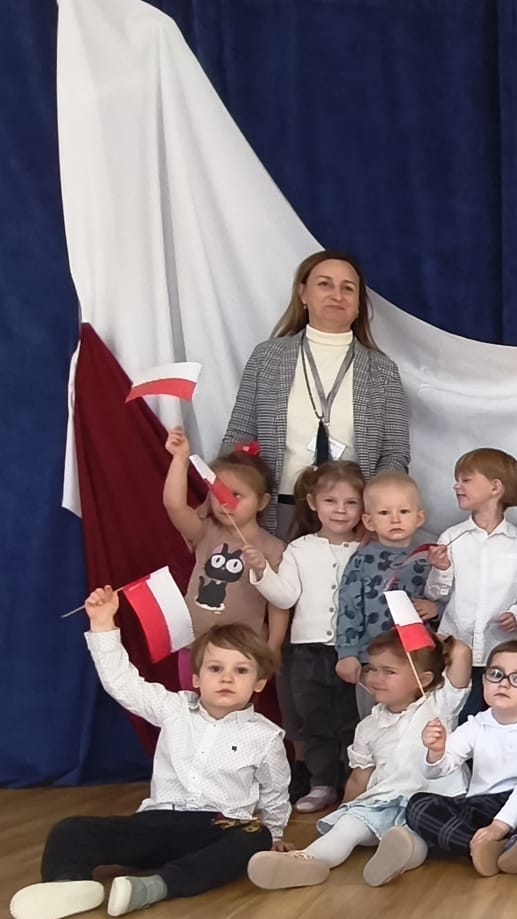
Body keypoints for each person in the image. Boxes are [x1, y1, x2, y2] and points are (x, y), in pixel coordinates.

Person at [9, 591, 288, 919]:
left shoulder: (266, 736)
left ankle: (158, 886)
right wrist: (103, 624)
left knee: (256, 835)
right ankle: (67, 886)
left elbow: (275, 791)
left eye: (241, 670)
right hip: (156, 823)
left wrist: (276, 835)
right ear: (196, 678)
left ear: (259, 683)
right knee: (70, 830)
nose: (227, 678)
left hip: (217, 827)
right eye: (215, 668)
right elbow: (123, 683)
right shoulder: (173, 708)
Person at [246, 632, 472, 890]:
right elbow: (359, 777)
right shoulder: (369, 726)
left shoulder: (439, 705)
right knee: (347, 826)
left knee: (412, 836)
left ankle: (394, 859)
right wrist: (345, 809)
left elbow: (461, 653)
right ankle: (307, 861)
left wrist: (428, 636)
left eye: (389, 672)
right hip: (384, 800)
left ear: (423, 680)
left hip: (430, 803)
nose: (375, 678)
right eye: (372, 668)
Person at [221, 250, 410, 532]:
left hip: (350, 515)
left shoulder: (382, 370)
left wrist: (376, 511)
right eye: (325, 284)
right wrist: (226, 498)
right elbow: (239, 436)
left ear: (359, 305)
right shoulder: (267, 358)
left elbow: (395, 453)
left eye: (348, 288)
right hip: (275, 513)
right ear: (303, 294)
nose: (337, 295)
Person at [246, 459, 366, 813]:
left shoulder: (366, 549)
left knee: (353, 722)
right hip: (306, 652)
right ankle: (321, 783)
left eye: (351, 502)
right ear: (313, 503)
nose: (341, 510)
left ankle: (354, 784)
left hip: (353, 652)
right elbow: (285, 597)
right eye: (331, 501)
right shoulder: (299, 549)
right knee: (314, 720)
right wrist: (262, 572)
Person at [407, 641, 517, 874]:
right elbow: (435, 771)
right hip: (482, 805)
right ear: (485, 681)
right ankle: (483, 849)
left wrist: (501, 826)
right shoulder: (477, 724)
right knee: (418, 804)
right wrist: (436, 751)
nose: (503, 684)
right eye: (496, 675)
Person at [424, 448, 517, 720]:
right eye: (457, 480)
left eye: (466, 480)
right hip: (454, 650)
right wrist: (441, 569)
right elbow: (435, 594)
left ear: (495, 487)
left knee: (490, 720)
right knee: (450, 717)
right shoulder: (451, 538)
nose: (457, 486)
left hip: (498, 653)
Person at [161, 429, 285, 657]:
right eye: (219, 493)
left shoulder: (274, 548)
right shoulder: (205, 531)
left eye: (236, 495)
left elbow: (278, 602)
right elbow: (174, 506)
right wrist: (180, 459)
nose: (225, 502)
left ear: (262, 502)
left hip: (243, 651)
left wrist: (273, 646)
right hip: (194, 646)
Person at [335, 473, 439, 695]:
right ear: (369, 521)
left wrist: (437, 609)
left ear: (419, 517)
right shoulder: (362, 560)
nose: (395, 519)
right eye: (384, 513)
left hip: (418, 662)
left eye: (404, 511)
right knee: (373, 714)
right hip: (372, 661)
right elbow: (349, 607)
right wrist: (347, 653)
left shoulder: (429, 558)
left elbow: (449, 597)